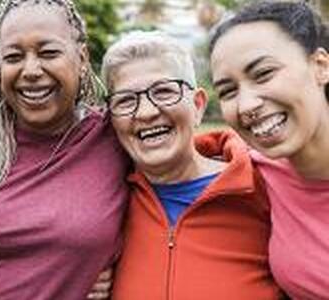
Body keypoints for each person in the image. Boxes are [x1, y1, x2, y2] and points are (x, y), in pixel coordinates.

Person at [0, 0, 129, 299]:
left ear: (82, 58)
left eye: (49, 53)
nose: (31, 70)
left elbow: (181, 168)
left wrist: (124, 270)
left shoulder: (115, 135)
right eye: (13, 56)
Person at [101, 31, 282, 299]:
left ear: (197, 105)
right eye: (125, 100)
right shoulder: (106, 206)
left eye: (163, 92)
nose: (147, 112)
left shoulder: (269, 188)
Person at [209, 1, 329, 299]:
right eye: (228, 91)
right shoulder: (254, 175)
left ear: (320, 66)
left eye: (263, 74)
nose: (247, 105)